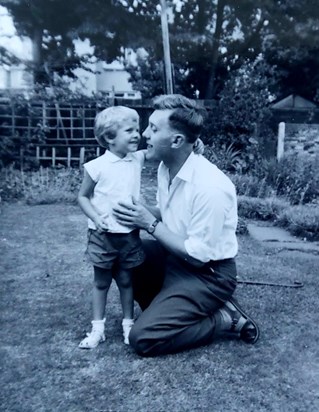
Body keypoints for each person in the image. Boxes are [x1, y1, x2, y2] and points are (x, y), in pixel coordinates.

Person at [113, 94, 260, 357]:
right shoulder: (166, 167)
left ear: (177, 140)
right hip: (176, 258)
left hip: (208, 275)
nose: (144, 134)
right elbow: (171, 215)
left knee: (144, 338)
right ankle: (169, 309)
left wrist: (148, 222)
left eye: (154, 129)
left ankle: (224, 318)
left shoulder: (210, 187)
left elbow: (197, 256)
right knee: (122, 252)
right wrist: (141, 211)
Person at [78, 105, 204, 349]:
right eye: (129, 130)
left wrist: (194, 143)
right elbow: (83, 197)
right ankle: (97, 330)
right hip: (102, 236)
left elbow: (167, 146)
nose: (138, 134)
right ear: (109, 138)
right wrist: (96, 217)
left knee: (127, 281)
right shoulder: (96, 167)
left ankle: (128, 325)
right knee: (101, 283)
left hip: (128, 235)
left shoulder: (136, 158)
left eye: (138, 129)